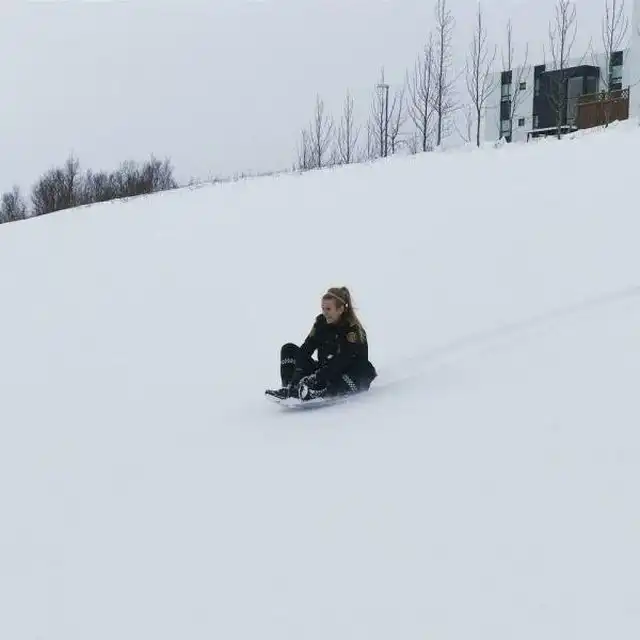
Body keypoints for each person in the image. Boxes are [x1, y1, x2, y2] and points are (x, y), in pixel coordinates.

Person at [265, 287, 377, 402]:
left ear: (340, 309)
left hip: (347, 373)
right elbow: (305, 350)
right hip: (324, 371)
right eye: (323, 309)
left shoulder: (352, 329)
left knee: (363, 369)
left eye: (328, 309)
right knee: (289, 349)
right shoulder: (321, 323)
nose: (325, 313)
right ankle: (290, 390)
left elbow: (343, 360)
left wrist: (316, 378)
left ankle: (320, 393)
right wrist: (296, 378)